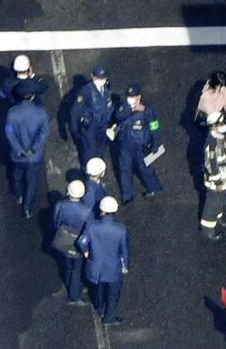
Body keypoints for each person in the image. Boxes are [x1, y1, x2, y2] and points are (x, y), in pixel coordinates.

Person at [77, 195, 130, 323]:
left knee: (98, 291)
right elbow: (124, 250)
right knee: (113, 294)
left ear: (102, 211)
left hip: (96, 268)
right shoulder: (121, 229)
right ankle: (109, 317)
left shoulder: (91, 227)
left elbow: (81, 242)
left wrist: (86, 252)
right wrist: (125, 265)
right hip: (113, 268)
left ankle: (100, 308)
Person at [3, 83, 50, 216]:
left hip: (17, 155)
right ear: (32, 96)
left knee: (16, 176)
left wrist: (19, 149)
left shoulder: (12, 113)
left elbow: (9, 132)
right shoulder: (41, 113)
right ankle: (27, 207)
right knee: (32, 182)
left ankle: (18, 195)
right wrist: (33, 149)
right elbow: (43, 133)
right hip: (34, 157)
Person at [113, 85, 164, 204]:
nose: (130, 99)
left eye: (133, 96)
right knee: (124, 169)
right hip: (125, 144)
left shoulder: (148, 111)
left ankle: (155, 188)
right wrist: (131, 110)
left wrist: (156, 143)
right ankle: (127, 196)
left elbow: (154, 127)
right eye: (129, 96)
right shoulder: (123, 107)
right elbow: (118, 116)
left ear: (139, 97)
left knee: (144, 168)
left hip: (141, 146)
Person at [50, 178, 94, 305]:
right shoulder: (86, 212)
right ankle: (74, 296)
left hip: (63, 239)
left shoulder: (60, 205)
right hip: (77, 243)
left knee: (67, 266)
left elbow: (56, 222)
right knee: (77, 269)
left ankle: (69, 285)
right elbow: (89, 230)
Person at [69, 67, 118, 165]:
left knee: (100, 152)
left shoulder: (106, 90)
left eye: (103, 78)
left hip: (102, 127)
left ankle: (98, 174)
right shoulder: (86, 91)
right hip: (90, 129)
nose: (101, 81)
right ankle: (90, 175)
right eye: (99, 78)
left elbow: (109, 108)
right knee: (90, 155)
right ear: (93, 76)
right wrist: (75, 130)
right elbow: (75, 112)